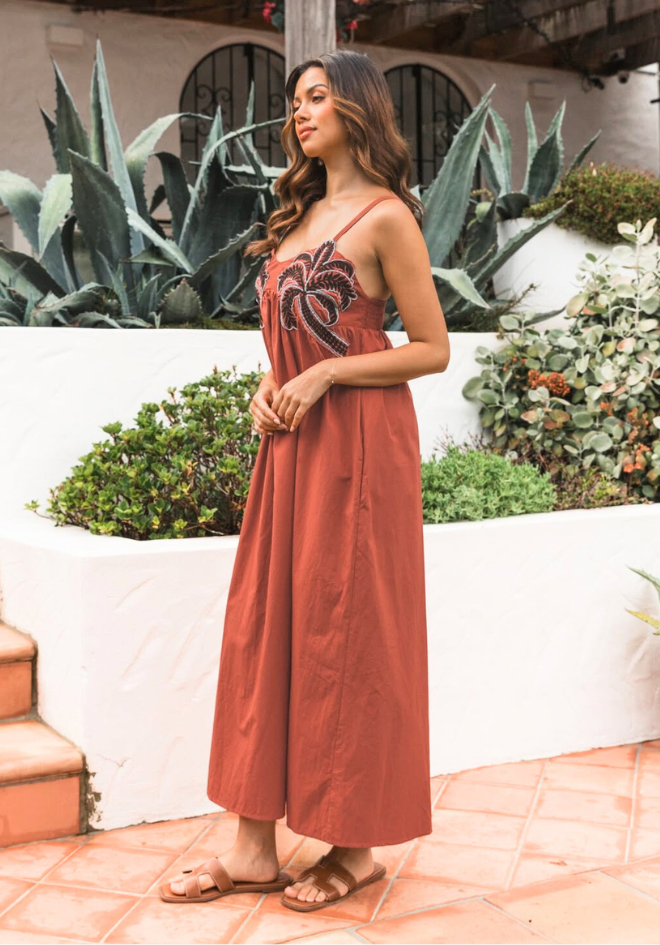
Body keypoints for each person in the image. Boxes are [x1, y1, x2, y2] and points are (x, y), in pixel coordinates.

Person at [160, 48, 450, 912]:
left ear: (356, 106)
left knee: (349, 635)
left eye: (317, 96)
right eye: (295, 100)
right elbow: (292, 337)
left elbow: (431, 348)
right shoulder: (298, 216)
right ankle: (253, 849)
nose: (300, 111)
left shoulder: (388, 217)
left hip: (360, 453)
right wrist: (272, 382)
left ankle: (354, 849)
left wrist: (327, 374)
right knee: (265, 628)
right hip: (288, 450)